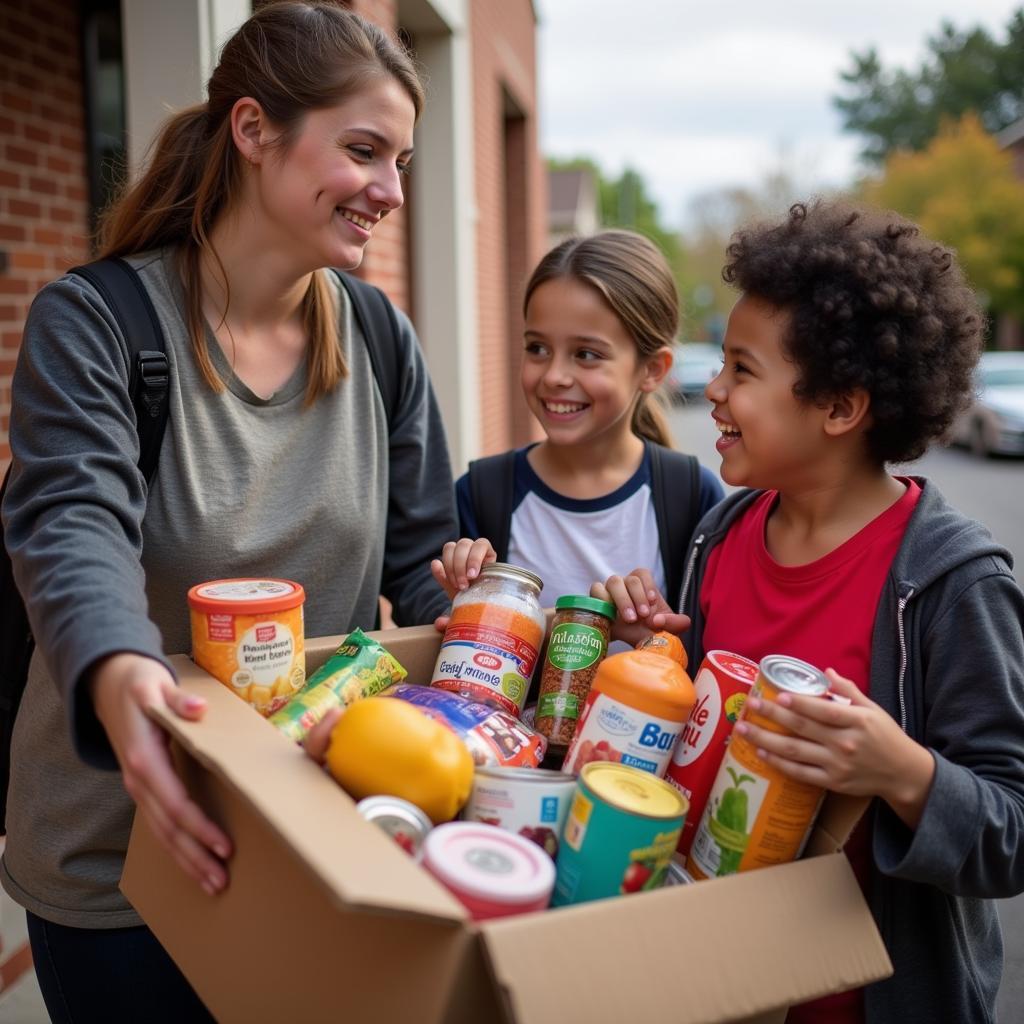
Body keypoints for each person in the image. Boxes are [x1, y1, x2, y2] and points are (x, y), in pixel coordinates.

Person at [0, 3, 456, 1020]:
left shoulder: (378, 338)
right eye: (364, 151)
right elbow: (73, 526)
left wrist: (493, 615)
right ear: (254, 131)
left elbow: (419, 566)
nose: (388, 190)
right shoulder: (99, 322)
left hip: (304, 842)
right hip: (121, 855)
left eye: (403, 162)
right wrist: (122, 679)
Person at [596, 199, 1024, 1024]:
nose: (712, 390)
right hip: (728, 982)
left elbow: (1012, 829)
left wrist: (904, 772)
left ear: (839, 408)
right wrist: (651, 663)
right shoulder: (719, 537)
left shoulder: (951, 582)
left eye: (743, 371)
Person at [432, 230, 723, 620]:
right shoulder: (481, 494)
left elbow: (715, 651)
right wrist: (465, 605)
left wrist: (659, 635)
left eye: (585, 354)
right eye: (537, 348)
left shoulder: (692, 497)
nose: (554, 375)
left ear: (652, 370)